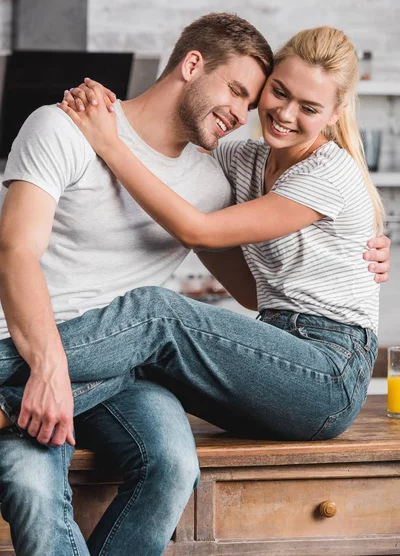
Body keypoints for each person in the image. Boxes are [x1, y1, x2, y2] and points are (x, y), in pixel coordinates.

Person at [0, 15, 389, 556]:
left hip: (320, 366)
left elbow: (204, 237)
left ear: (334, 114)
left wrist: (364, 245)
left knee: (161, 339)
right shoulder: (230, 160)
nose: (270, 113)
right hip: (76, 347)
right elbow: (253, 291)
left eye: (307, 107)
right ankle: (24, 387)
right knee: (87, 471)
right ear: (191, 64)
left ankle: (9, 390)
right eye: (263, 94)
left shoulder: (279, 176)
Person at [0, 13, 273, 556]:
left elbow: (253, 290)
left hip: (124, 370)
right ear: (192, 65)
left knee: (173, 466)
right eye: (237, 91)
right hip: (27, 352)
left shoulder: (209, 182)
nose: (241, 115)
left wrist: (351, 243)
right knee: (32, 490)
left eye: (250, 104)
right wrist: (51, 368)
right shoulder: (64, 125)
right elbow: (15, 251)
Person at [54, 24, 387, 443]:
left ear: (334, 115)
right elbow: (163, 144)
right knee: (135, 358)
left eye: (309, 107)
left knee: (156, 312)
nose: (285, 115)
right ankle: (12, 408)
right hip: (272, 352)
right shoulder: (241, 157)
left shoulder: (328, 172)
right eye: (280, 93)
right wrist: (110, 110)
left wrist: (109, 143)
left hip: (328, 373)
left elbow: (199, 230)